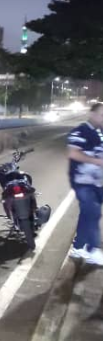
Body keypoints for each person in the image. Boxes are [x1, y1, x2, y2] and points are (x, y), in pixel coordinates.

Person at [67, 102, 103, 263]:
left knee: (87, 214)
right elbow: (74, 154)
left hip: (98, 182)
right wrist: (97, 161)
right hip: (82, 181)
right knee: (93, 213)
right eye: (101, 114)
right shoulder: (80, 131)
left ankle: (78, 247)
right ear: (92, 114)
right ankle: (93, 250)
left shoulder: (100, 132)